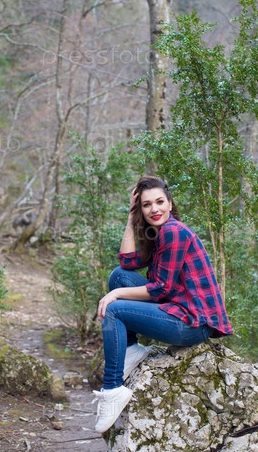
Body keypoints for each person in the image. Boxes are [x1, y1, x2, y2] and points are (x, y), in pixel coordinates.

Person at [92, 175, 233, 434]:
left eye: (159, 202)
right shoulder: (159, 234)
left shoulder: (173, 231)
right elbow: (126, 262)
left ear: (169, 203)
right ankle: (131, 351)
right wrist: (130, 217)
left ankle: (112, 389)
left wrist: (116, 295)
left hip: (193, 323)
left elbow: (160, 289)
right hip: (178, 309)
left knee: (113, 309)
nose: (154, 209)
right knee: (118, 276)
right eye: (146, 205)